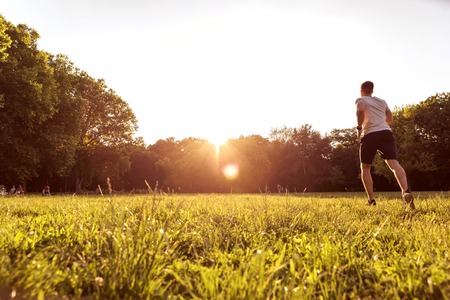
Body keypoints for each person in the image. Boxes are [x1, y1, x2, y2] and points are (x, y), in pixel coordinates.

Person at [355, 81, 415, 209]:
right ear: (372, 90)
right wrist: (383, 121)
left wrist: (359, 129)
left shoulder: (361, 100)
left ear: (361, 91)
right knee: (394, 164)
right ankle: (406, 191)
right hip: (386, 133)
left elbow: (360, 110)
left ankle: (371, 200)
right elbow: (390, 119)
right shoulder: (382, 102)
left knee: (365, 168)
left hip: (370, 134)